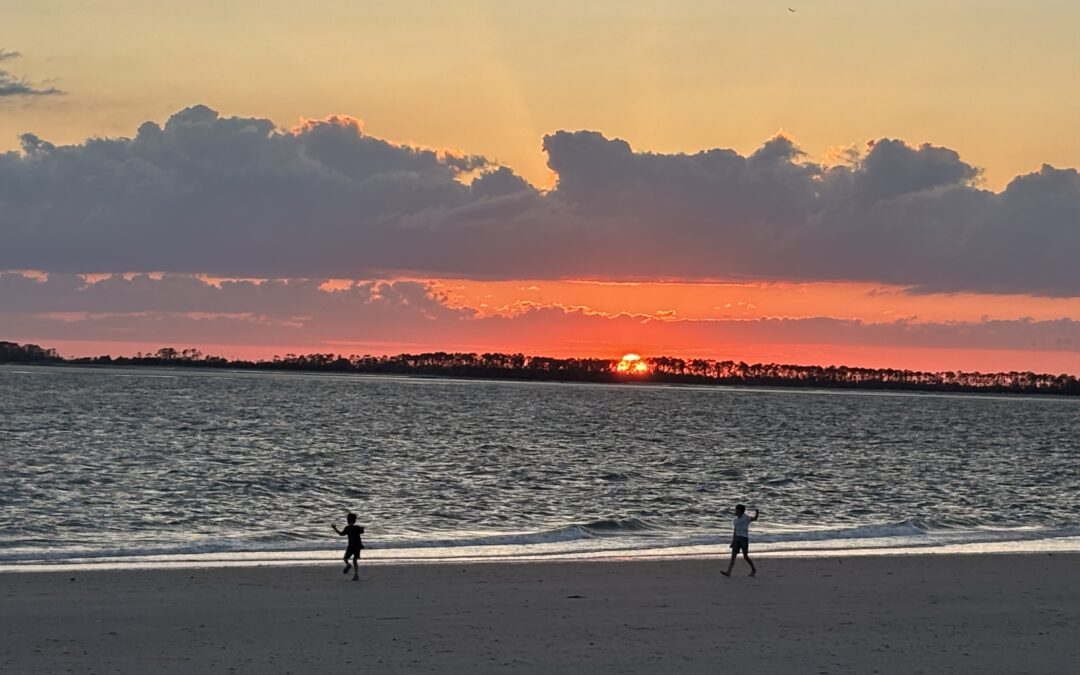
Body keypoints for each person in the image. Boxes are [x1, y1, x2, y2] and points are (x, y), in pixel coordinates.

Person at [720, 504, 758, 577]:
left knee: (745, 556)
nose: (735, 511)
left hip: (744, 538)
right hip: (737, 538)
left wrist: (757, 512)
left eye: (736, 510)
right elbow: (735, 530)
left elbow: (755, 519)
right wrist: (733, 541)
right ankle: (728, 572)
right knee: (733, 556)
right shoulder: (735, 520)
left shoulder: (746, 518)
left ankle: (753, 569)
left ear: (740, 511)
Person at [332, 513, 364, 581]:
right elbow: (362, 531)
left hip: (351, 546)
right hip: (357, 546)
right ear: (355, 521)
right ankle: (356, 574)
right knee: (355, 561)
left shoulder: (347, 528)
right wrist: (362, 529)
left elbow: (341, 534)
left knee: (345, 558)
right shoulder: (357, 527)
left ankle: (348, 565)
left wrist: (335, 528)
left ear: (347, 521)